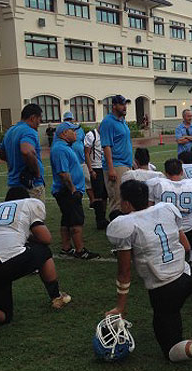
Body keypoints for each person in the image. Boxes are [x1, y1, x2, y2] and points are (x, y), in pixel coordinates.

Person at [105, 180, 192, 371]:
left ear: (126, 203)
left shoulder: (125, 224)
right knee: (171, 313)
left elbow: (124, 272)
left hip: (165, 289)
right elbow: (186, 247)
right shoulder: (166, 209)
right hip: (186, 277)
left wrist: (120, 307)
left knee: (170, 350)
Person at [0, 187, 72, 345]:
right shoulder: (28, 204)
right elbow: (46, 238)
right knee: (44, 251)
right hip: (9, 260)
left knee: (3, 314)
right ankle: (56, 296)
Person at [147, 158, 192, 279]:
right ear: (182, 171)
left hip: (165, 230)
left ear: (166, 173)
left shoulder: (157, 184)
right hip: (188, 227)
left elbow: (150, 209)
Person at [50, 121, 99, 260]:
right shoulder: (60, 149)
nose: (76, 133)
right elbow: (63, 173)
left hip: (66, 190)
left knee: (66, 220)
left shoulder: (63, 147)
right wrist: (73, 189)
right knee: (76, 220)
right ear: (64, 133)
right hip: (67, 191)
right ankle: (80, 250)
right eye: (73, 131)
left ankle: (66, 247)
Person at [0, 104, 45, 201]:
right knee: (34, 216)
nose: (39, 123)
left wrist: (15, 160)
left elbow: (2, 154)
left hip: (13, 185)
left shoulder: (10, 131)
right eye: (39, 119)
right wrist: (37, 172)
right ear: (33, 118)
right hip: (30, 185)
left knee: (17, 215)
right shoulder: (29, 131)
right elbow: (26, 151)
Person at [100, 95, 133, 220]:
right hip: (117, 165)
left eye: (125, 104)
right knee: (117, 199)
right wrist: (111, 168)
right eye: (122, 104)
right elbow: (106, 146)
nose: (125, 107)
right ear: (114, 106)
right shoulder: (108, 122)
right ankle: (115, 228)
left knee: (125, 197)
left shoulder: (122, 121)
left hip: (125, 164)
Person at [84, 124, 109, 229]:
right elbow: (86, 153)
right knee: (98, 195)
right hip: (96, 168)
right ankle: (99, 219)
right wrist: (90, 170)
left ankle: (103, 217)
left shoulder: (105, 135)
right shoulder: (91, 135)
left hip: (104, 167)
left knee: (105, 194)